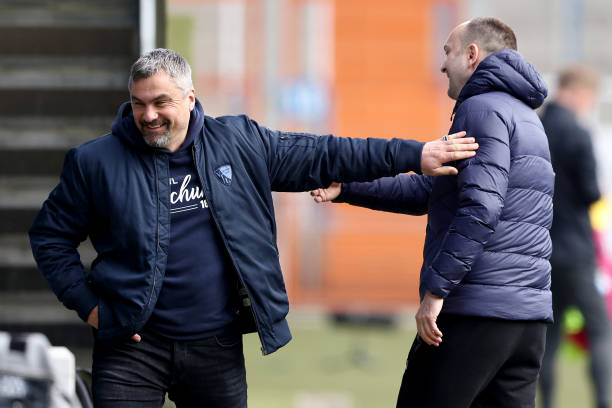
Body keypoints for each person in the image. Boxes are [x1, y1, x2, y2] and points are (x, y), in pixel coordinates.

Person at [28, 48, 477, 407]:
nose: (148, 115)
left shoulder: (240, 143)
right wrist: (90, 307)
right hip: (130, 347)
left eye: (161, 102)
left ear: (189, 98)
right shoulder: (95, 162)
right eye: (139, 103)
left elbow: (327, 154)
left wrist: (414, 154)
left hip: (214, 346)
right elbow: (50, 236)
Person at [312, 17, 553, 407]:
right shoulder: (526, 117)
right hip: (527, 319)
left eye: (448, 52)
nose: (442, 65)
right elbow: (437, 189)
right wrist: (350, 187)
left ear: (472, 55)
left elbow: (481, 207)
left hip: (475, 310)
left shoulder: (479, 108)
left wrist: (438, 289)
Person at [538, 65, 611, 408]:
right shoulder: (579, 134)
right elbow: (590, 193)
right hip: (577, 252)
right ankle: (601, 401)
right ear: (580, 91)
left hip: (540, 249)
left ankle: (546, 402)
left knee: (547, 337)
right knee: (600, 331)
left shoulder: (534, 126)